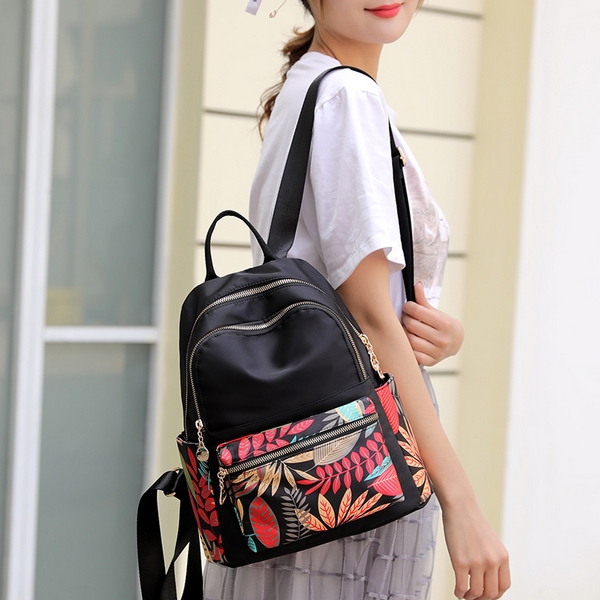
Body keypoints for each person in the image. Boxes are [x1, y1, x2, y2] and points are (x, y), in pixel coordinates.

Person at [203, 1, 511, 599]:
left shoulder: (309, 85)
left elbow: (356, 300)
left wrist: (438, 333)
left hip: (298, 448)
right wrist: (463, 503)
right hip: (359, 447)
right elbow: (370, 318)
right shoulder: (347, 96)